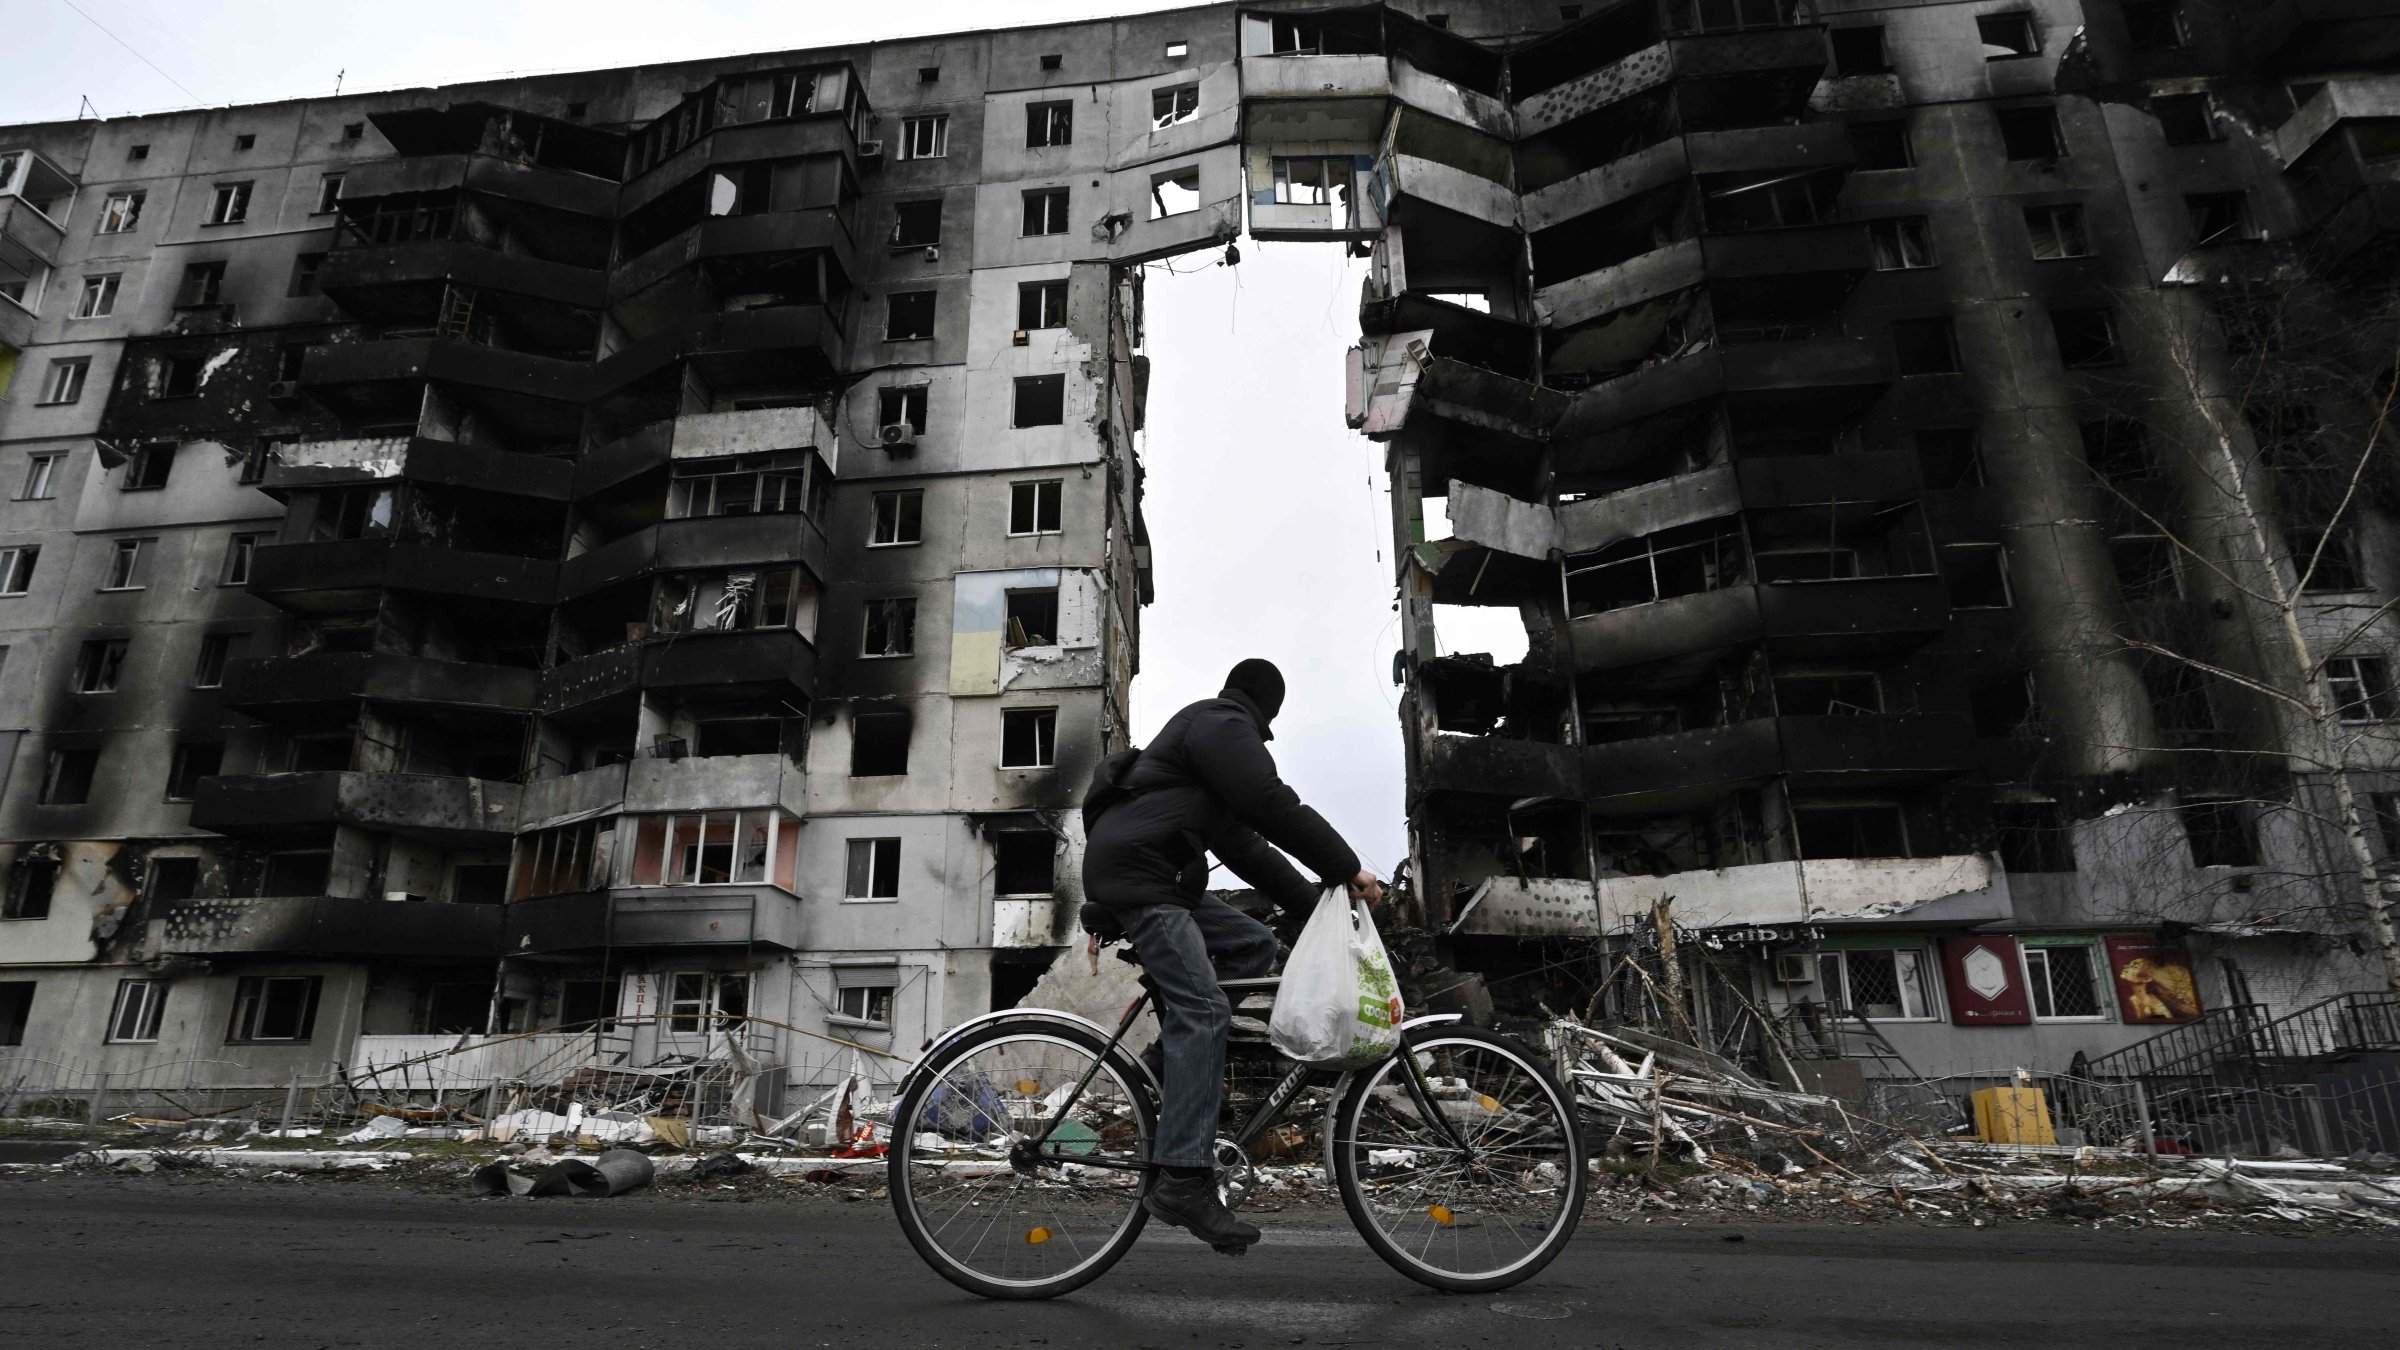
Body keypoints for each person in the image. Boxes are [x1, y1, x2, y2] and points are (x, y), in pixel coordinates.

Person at [1082, 658, 1383, 1252]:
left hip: (1148, 870)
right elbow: (1271, 803)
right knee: (1206, 1012)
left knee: (1253, 943)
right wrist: (1348, 869)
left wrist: (1320, 905)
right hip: (1143, 876)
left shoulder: (1206, 763)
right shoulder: (1220, 724)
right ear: (1266, 706)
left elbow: (1248, 848)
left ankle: (1168, 1062)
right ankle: (1185, 1182)